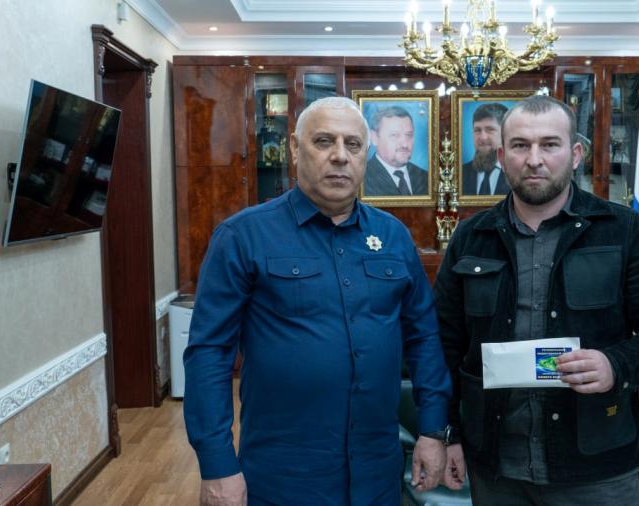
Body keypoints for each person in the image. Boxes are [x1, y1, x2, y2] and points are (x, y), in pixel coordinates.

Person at [184, 96, 452, 505]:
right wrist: (217, 463)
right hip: (284, 475)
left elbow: (424, 339)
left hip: (376, 469)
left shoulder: (393, 237)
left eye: (353, 144)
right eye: (324, 141)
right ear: (295, 148)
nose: (340, 156)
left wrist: (432, 430)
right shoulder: (243, 237)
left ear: (366, 153)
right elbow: (208, 354)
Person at [434, 96, 639, 504]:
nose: (534, 159)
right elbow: (445, 345)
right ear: (502, 157)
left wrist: (615, 365)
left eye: (549, 144)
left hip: (596, 466)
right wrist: (448, 433)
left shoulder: (621, 229)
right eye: (520, 145)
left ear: (574, 155)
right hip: (498, 467)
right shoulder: (471, 238)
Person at [364, 106, 428, 196]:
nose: (404, 144)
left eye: (408, 135)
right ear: (374, 138)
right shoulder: (362, 178)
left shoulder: (425, 177)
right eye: (394, 135)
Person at [462, 102, 510, 196]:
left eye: (490, 130)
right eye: (477, 130)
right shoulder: (461, 173)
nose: (483, 137)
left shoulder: (516, 172)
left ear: (505, 133)